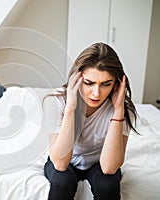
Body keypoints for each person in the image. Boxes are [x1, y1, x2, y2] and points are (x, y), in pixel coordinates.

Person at [43, 42, 137, 200]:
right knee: (62, 181)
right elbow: (60, 164)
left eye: (106, 84)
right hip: (66, 161)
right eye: (89, 83)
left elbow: (109, 168)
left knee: (107, 185)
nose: (96, 93)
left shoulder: (123, 110)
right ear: (77, 78)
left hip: (98, 163)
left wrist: (119, 110)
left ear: (117, 84)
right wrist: (71, 107)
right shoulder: (57, 100)